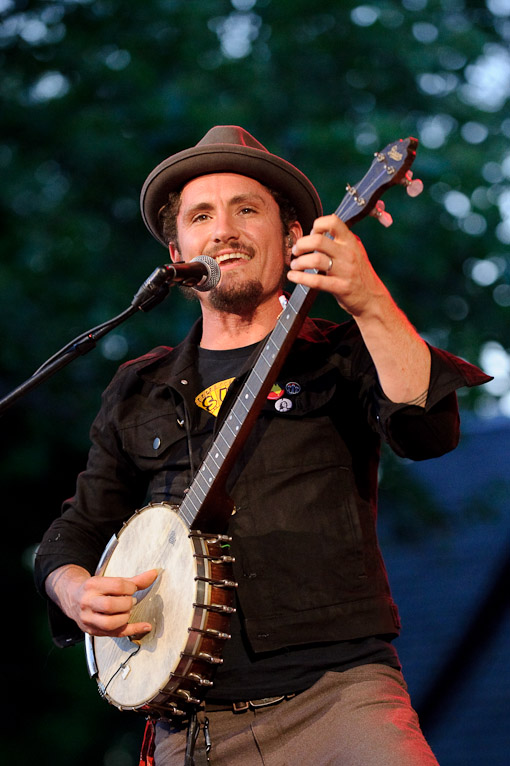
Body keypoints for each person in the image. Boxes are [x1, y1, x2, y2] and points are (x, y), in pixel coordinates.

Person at [34, 126, 490, 766]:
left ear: (293, 237)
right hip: (188, 730)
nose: (222, 229)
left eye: (247, 209)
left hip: (341, 702)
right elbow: (74, 534)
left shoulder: (344, 353)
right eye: (201, 216)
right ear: (176, 252)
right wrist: (76, 591)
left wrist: (369, 300)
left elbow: (428, 431)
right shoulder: (140, 387)